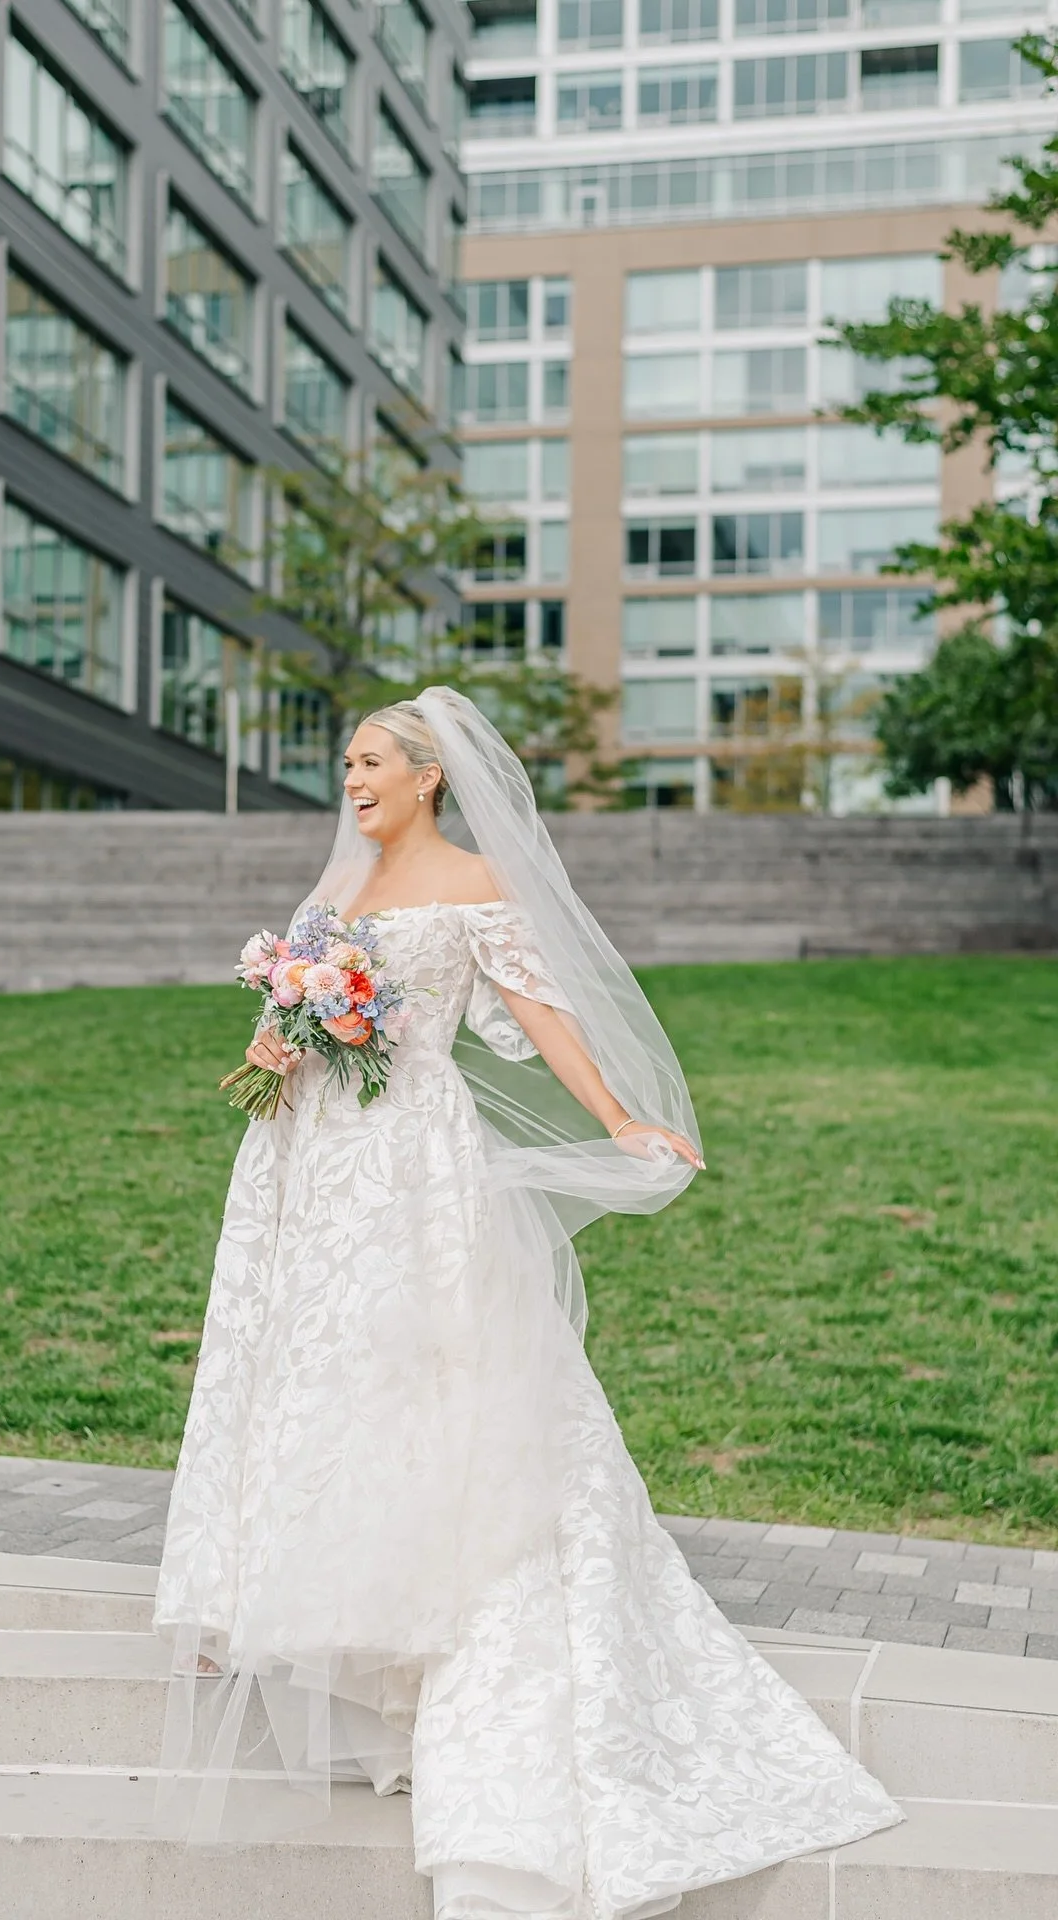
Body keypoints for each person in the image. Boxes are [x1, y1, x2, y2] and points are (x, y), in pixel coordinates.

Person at [154, 688, 900, 1920]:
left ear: (429, 776)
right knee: (314, 1364)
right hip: (305, 1162)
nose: (353, 779)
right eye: (347, 762)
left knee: (427, 1372)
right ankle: (289, 1604)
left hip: (411, 1161)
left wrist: (618, 1118)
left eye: (372, 762)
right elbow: (295, 1006)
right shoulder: (337, 888)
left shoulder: (475, 880)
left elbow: (538, 1010)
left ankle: (425, 1621)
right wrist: (280, 1039)